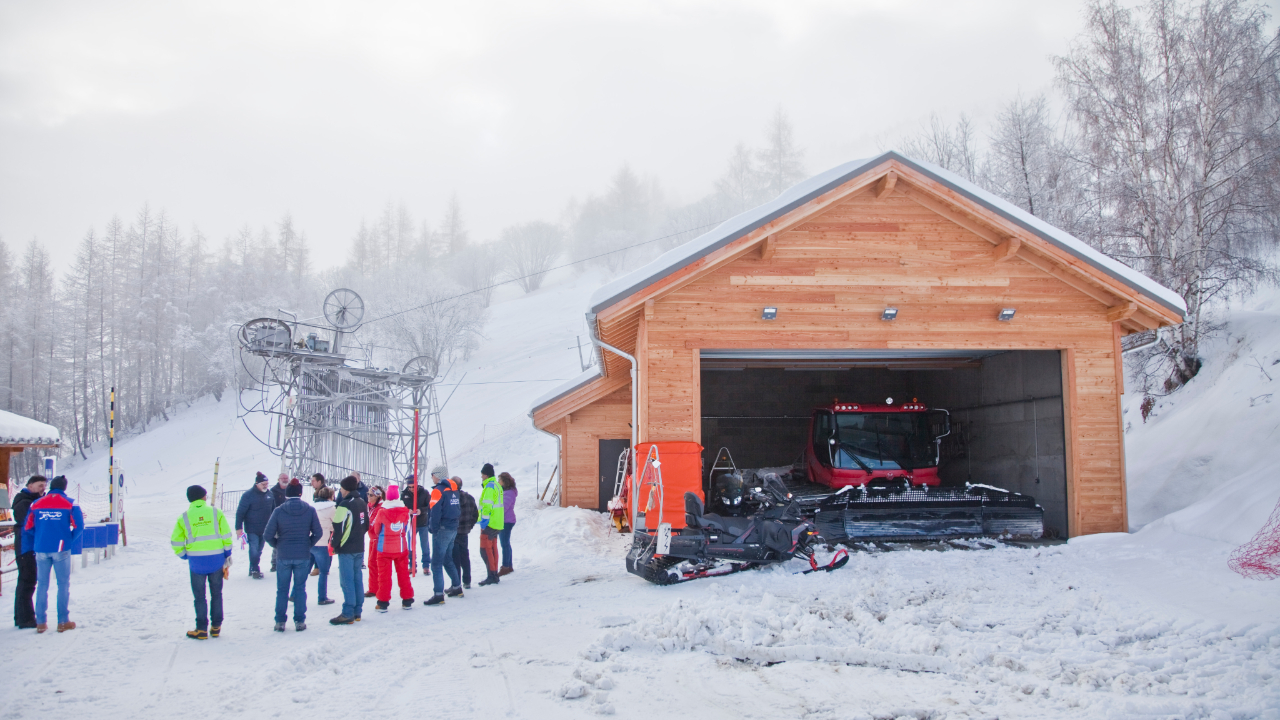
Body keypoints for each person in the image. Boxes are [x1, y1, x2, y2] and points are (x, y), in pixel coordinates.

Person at [21, 475, 83, 633]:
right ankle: (63, 621)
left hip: (41, 548)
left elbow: (27, 527)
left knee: (42, 584)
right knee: (63, 584)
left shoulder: (36, 503)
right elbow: (79, 526)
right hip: (61, 547)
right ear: (64, 488)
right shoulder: (70, 503)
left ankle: (41, 622)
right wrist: (69, 539)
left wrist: (39, 538)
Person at [171, 485, 233, 640]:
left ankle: (201, 629)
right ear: (204, 497)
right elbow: (226, 535)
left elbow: (176, 542)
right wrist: (227, 553)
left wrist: (185, 556)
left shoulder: (183, 517)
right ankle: (216, 627)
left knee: (199, 597)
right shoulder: (215, 512)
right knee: (216, 594)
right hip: (216, 560)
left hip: (196, 563)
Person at [264, 479, 322, 632]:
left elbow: (267, 534)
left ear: (287, 494)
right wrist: (307, 544)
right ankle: (300, 621)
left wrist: (278, 545)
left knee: (282, 589)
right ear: (301, 493)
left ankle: (280, 621)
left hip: (283, 554)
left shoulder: (279, 511)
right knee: (300, 588)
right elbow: (318, 532)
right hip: (302, 554)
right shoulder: (309, 510)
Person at [329, 476, 368, 625]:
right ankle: (357, 611)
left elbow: (337, 527)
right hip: (359, 546)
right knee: (357, 579)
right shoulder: (362, 502)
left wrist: (335, 544)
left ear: (345, 489)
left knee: (347, 581)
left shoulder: (344, 505)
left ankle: (347, 612)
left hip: (347, 548)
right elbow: (366, 525)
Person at [370, 484, 414, 611]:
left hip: (384, 549)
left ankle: (383, 603)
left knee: (384, 576)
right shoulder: (405, 511)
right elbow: (406, 528)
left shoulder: (382, 512)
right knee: (404, 574)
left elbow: (377, 529)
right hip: (401, 547)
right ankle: (407, 600)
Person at [423, 469, 462, 605]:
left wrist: (433, 528)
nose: (432, 477)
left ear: (437, 476)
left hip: (442, 528)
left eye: (432, 475)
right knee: (447, 558)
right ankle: (457, 587)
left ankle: (438, 594)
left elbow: (435, 511)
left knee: (436, 563)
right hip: (453, 527)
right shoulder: (453, 489)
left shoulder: (438, 490)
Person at [12, 475, 46, 629]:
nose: (43, 489)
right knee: (27, 581)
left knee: (26, 581)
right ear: (30, 486)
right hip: (26, 547)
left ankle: (21, 617)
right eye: (40, 485)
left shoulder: (31, 501)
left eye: (44, 485)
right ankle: (25, 618)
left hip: (30, 546)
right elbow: (29, 524)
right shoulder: (24, 502)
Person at [234, 472, 273, 579]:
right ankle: (255, 569)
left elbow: (274, 511)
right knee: (254, 549)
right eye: (263, 484)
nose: (266, 486)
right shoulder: (248, 495)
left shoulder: (269, 495)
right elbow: (240, 512)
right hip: (252, 528)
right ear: (257, 484)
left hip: (265, 529)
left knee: (259, 550)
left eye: (267, 484)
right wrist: (238, 527)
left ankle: (253, 566)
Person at [476, 463, 505, 586]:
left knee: (485, 550)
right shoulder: (497, 486)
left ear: (486, 475)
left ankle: (491, 575)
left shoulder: (489, 487)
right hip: (497, 522)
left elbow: (487, 506)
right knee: (493, 549)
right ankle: (494, 574)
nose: (481, 477)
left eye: (482, 474)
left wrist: (484, 521)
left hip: (489, 523)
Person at [310, 487, 337, 604]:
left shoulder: (311, 507)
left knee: (304, 571)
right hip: (323, 542)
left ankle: (294, 594)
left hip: (310, 542)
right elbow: (335, 525)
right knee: (323, 572)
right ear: (331, 496)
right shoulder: (331, 508)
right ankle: (322, 597)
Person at [452, 477, 478, 590]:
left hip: (453, 532)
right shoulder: (470, 498)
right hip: (464, 532)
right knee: (465, 557)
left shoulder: (451, 499)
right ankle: (467, 581)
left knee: (455, 558)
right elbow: (475, 515)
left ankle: (456, 583)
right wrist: (469, 527)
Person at [404, 474, 432, 575]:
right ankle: (412, 565)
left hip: (423, 523)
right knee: (411, 545)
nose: (411, 489)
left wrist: (421, 510)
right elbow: (401, 506)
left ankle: (426, 566)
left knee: (425, 545)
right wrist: (407, 510)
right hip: (411, 524)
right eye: (409, 487)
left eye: (413, 486)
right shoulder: (404, 494)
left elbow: (430, 506)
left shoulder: (424, 493)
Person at [364, 484, 384, 599]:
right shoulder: (371, 506)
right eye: (368, 494)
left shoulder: (379, 508)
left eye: (371, 495)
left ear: (377, 496)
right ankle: (374, 587)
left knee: (374, 564)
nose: (368, 496)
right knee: (372, 563)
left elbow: (373, 525)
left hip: (378, 539)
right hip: (373, 539)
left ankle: (375, 588)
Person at [268, 473, 290, 572]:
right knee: (278, 543)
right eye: (283, 478)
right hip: (278, 520)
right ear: (279, 479)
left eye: (286, 478)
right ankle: (274, 563)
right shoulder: (273, 492)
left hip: (289, 520)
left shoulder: (290, 490)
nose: (285, 480)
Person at [498, 472, 518, 576]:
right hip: (506, 520)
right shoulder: (506, 491)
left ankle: (505, 566)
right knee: (506, 543)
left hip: (506, 521)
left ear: (504, 481)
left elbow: (503, 507)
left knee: (504, 544)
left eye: (500, 480)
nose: (498, 482)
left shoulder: (508, 493)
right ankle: (508, 565)